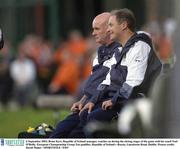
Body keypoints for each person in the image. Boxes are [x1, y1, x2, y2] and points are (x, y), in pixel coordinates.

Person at [71, 8, 162, 138]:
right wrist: (92, 100)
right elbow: (107, 81)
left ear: (124, 25)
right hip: (120, 100)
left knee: (93, 118)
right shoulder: (119, 49)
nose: (108, 30)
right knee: (86, 114)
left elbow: (134, 83)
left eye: (111, 25)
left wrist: (113, 100)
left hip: (136, 102)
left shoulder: (140, 46)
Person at [49, 12, 120, 138]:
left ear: (109, 29)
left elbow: (108, 83)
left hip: (100, 104)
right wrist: (81, 101)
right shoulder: (100, 51)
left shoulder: (119, 51)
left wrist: (91, 102)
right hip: (88, 103)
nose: (93, 33)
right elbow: (93, 82)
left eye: (96, 29)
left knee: (74, 136)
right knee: (59, 131)